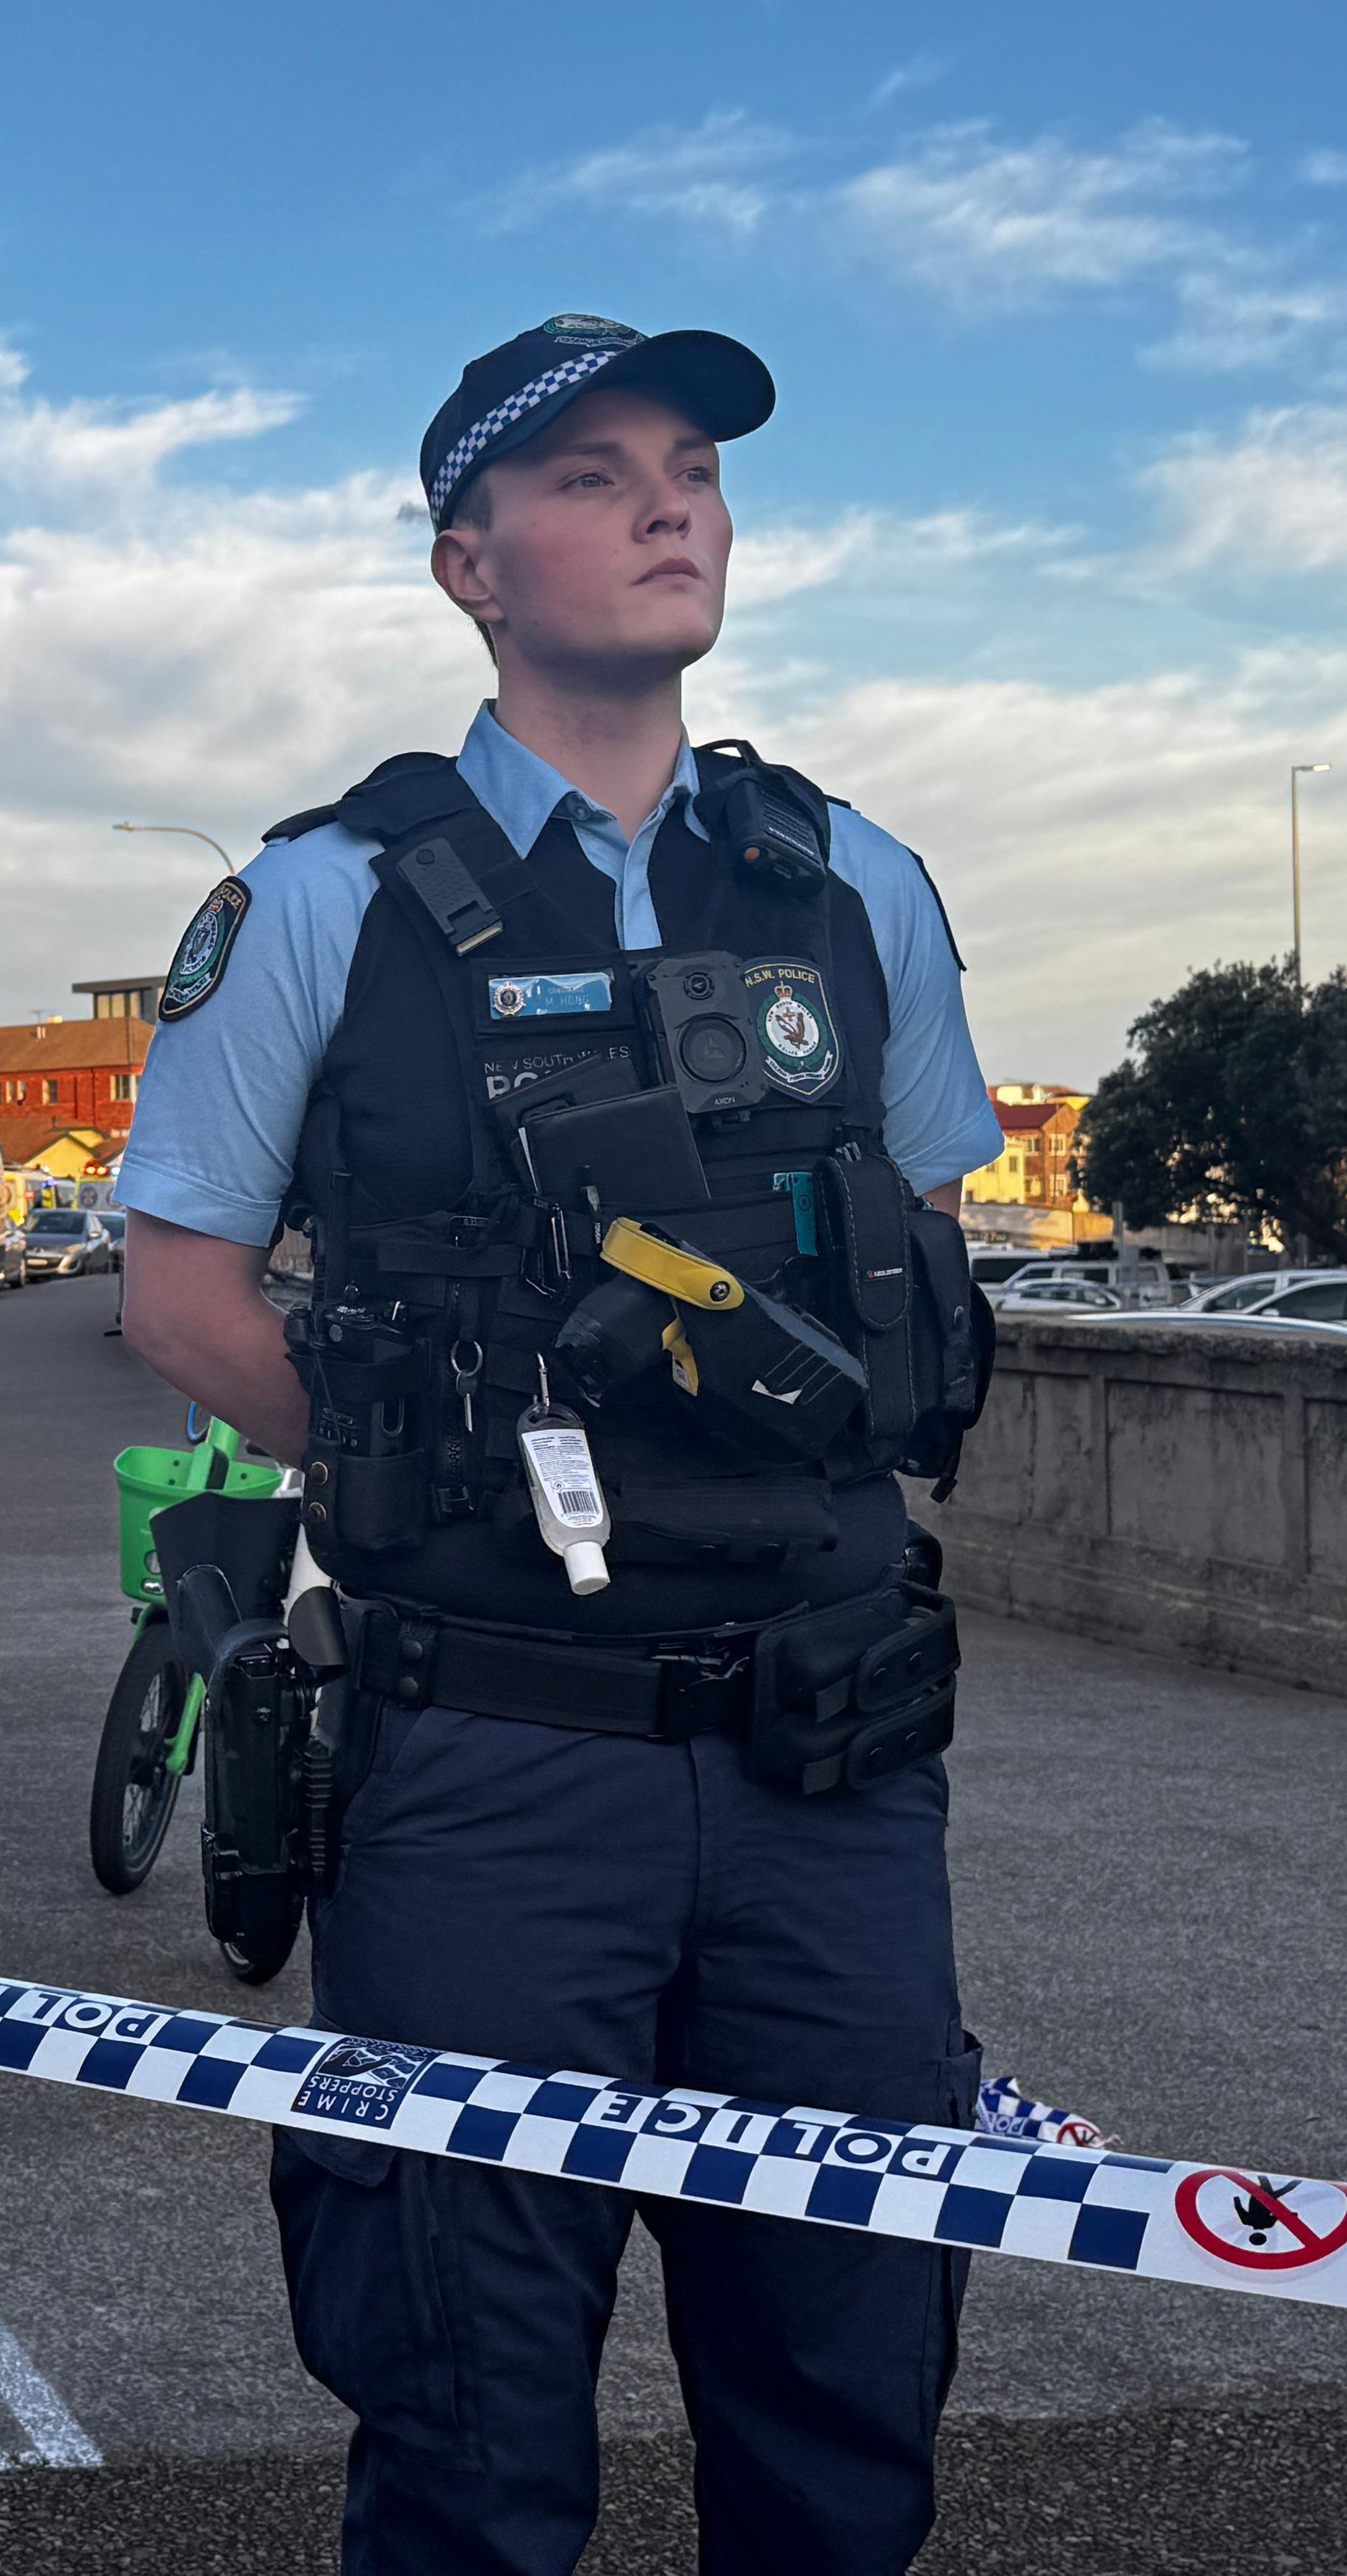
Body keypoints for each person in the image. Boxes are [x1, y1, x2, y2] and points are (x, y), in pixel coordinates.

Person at [118, 314, 1005, 2576]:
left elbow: (915, 1251)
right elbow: (183, 1295)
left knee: (845, 2385)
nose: (670, 503)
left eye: (694, 465)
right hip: (492, 1765)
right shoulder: (322, 901)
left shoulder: (852, 886)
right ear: (468, 563)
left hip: (828, 1765)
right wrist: (452, 1466)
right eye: (597, 473)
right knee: (467, 2398)